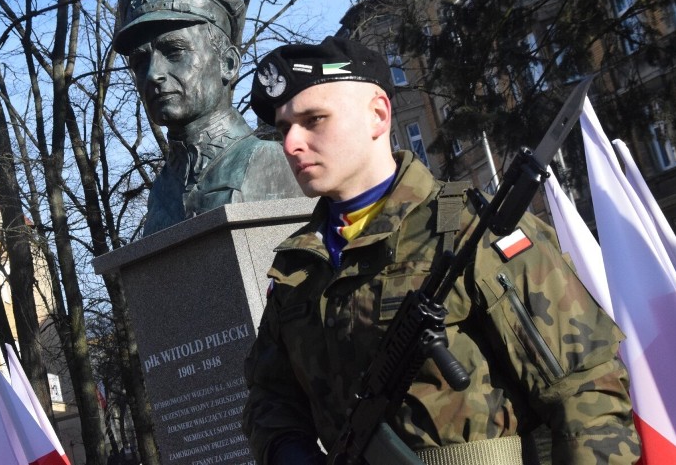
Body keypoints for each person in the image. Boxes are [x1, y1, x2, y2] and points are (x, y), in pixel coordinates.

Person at [242, 36, 640, 464]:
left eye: (314, 119)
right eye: (284, 129)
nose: (291, 144)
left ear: (377, 115)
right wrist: (287, 450)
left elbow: (586, 395)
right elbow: (270, 396)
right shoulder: (299, 265)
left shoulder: (473, 230)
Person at [114, 0, 302, 236]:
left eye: (175, 52)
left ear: (228, 64)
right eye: (140, 62)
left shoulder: (276, 164)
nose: (153, 74)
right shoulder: (161, 192)